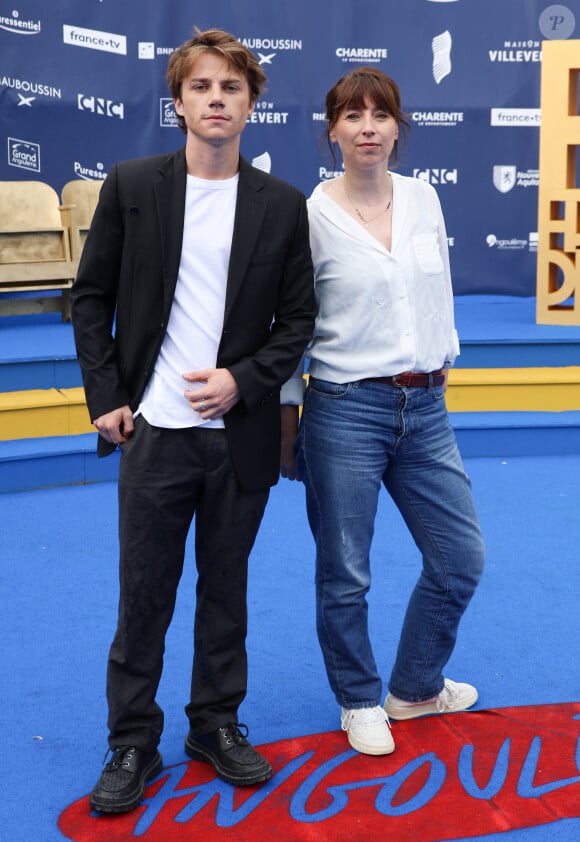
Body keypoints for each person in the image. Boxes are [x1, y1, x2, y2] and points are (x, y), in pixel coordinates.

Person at [71, 27, 315, 813]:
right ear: (177, 103)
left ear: (251, 105)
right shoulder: (133, 183)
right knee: (144, 594)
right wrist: (107, 395)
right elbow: (90, 298)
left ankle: (215, 722)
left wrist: (243, 381)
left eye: (232, 88)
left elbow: (298, 321)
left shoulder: (282, 205)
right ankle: (131, 741)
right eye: (202, 88)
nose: (217, 99)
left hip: (237, 438)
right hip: (152, 433)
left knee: (226, 591)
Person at [281, 67, 485, 757]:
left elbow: (438, 291)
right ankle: (361, 698)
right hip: (344, 409)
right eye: (352, 115)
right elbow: (289, 321)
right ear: (332, 130)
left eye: (380, 114)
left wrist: (441, 358)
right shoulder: (309, 216)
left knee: (460, 558)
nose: (367, 126)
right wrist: (288, 413)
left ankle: (416, 686)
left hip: (426, 406)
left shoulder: (425, 198)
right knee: (347, 570)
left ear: (398, 126)